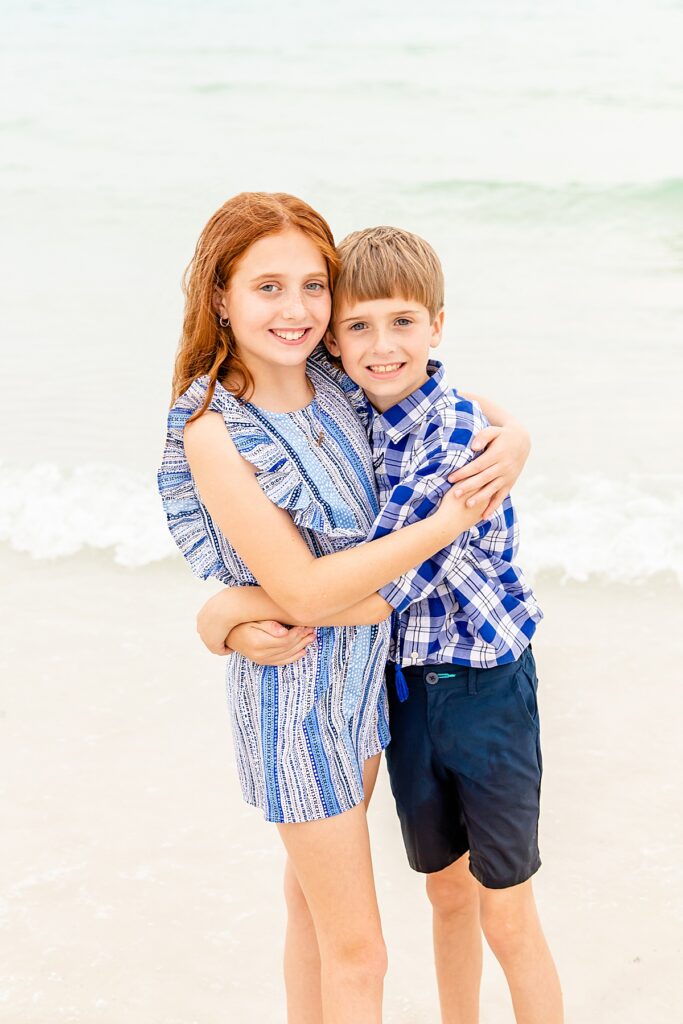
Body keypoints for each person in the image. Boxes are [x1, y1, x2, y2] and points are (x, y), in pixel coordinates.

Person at [158, 194, 528, 1024]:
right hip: (298, 699)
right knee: (360, 952)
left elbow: (445, 399)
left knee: (310, 915)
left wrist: (516, 437)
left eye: (312, 286)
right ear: (220, 295)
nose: (295, 311)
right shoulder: (217, 428)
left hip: (368, 691)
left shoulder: (332, 380)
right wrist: (446, 526)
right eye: (267, 288)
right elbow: (307, 593)